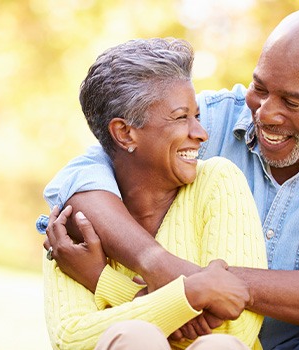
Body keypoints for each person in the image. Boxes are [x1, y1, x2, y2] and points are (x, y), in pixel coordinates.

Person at [41, 7, 299, 349]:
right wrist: (157, 265)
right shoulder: (208, 118)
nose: (267, 113)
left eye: (292, 101)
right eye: (260, 88)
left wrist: (193, 285)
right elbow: (82, 177)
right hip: (195, 336)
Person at [37, 38, 267, 349]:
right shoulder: (74, 222)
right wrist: (190, 296)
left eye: (196, 116)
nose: (201, 133)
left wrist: (108, 284)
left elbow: (235, 329)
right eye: (180, 117)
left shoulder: (218, 181)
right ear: (125, 133)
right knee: (135, 338)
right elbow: (72, 338)